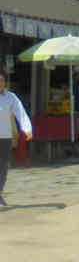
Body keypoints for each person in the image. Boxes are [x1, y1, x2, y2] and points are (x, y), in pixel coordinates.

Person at [0, 69, 32, 207]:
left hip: (5, 137)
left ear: (5, 83)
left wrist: (27, 128)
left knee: (4, 167)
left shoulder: (10, 97)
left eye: (1, 80)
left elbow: (21, 112)